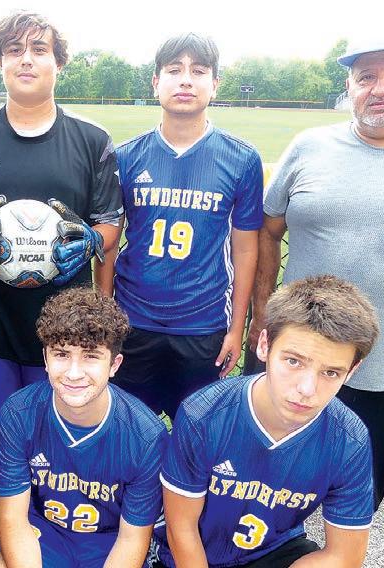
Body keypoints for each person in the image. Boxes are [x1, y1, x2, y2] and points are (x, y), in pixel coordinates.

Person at [247, 41, 384, 509]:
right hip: (295, 362)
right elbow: (267, 231)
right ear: (350, 85)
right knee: (258, 487)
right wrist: (261, 315)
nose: (380, 88)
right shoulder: (309, 146)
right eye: (366, 77)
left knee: (355, 503)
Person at [0, 11, 123, 435]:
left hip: (67, 325)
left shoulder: (92, 139)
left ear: (59, 63)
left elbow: (110, 223)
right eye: (14, 50)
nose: (26, 59)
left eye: (39, 50)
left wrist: (91, 239)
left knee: (58, 431)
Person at [158, 275, 378, 568]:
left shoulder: (348, 439)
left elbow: (344, 556)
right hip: (195, 553)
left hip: (273, 551)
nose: (307, 389)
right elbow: (182, 529)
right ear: (264, 345)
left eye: (330, 373)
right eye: (293, 361)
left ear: (352, 370)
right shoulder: (204, 415)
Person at [112, 34, 262, 419]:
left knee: (195, 432)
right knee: (131, 428)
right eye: (174, 70)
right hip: (132, 320)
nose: (185, 80)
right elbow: (109, 245)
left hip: (203, 324)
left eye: (198, 71)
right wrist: (106, 317)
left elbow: (246, 249)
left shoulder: (242, 158)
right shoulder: (125, 156)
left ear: (215, 84)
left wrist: (236, 328)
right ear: (155, 82)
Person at [0, 287, 166, 568]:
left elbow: (131, 539)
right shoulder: (19, 413)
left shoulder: (145, 436)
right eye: (61, 354)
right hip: (44, 535)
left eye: (90, 356)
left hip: (108, 543)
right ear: (45, 359)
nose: (73, 373)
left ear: (114, 364)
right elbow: (13, 519)